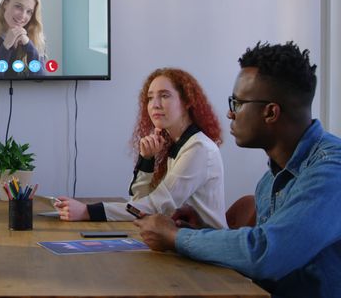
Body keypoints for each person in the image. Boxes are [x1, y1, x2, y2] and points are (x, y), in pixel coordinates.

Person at [134, 42, 341, 297]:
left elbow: (266, 254)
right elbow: (260, 247)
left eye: (237, 103)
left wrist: (175, 237)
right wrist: (200, 233)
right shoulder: (271, 179)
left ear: (270, 112)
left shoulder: (331, 170)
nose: (230, 114)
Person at [56, 68, 227, 229]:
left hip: (208, 252)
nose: (155, 105)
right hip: (185, 244)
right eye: (150, 98)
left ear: (187, 101)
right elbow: (141, 203)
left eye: (165, 96)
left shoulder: (198, 148)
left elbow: (155, 207)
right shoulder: (176, 143)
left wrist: (88, 211)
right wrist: (147, 160)